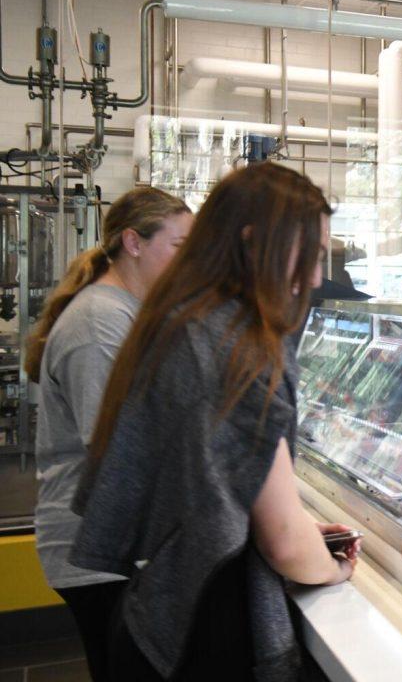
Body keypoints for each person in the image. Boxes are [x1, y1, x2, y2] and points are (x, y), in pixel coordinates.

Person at [69, 163, 360, 680]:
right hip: (202, 635)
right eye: (311, 256)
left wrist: (281, 520)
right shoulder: (239, 343)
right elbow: (286, 545)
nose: (316, 278)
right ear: (252, 241)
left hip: (158, 616)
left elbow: (204, 483)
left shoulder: (186, 316)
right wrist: (333, 568)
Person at [28, 187, 192, 682]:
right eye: (179, 248)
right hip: (96, 550)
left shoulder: (123, 311)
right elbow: (116, 443)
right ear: (134, 243)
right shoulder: (100, 320)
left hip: (115, 542)